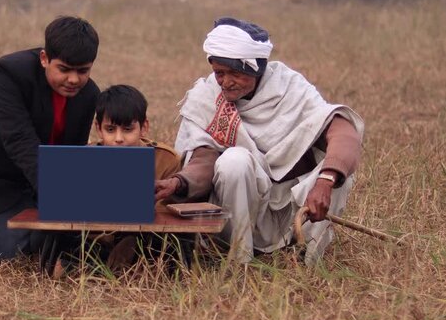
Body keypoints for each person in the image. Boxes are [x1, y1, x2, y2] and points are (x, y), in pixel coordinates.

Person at [155, 17, 364, 266]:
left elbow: (343, 131)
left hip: (295, 211)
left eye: (235, 73)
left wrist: (326, 180)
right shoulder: (208, 95)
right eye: (219, 73)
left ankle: (307, 257)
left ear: (256, 68)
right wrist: (178, 183)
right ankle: (238, 260)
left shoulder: (289, 87)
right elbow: (203, 158)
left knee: (338, 171)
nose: (226, 82)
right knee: (234, 160)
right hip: (236, 212)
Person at [0, 16, 100, 262]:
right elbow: (19, 142)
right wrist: (62, 203)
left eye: (83, 71)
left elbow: (70, 154)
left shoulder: (89, 94)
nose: (74, 79)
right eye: (64, 69)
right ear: (45, 59)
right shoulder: (9, 73)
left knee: (73, 239)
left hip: (34, 182)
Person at [92, 84, 182, 271]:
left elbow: (167, 214)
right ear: (98, 128)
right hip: (97, 234)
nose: (118, 138)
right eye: (110, 129)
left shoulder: (166, 159)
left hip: (147, 234)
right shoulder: (87, 156)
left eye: (127, 129)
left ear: (144, 128)